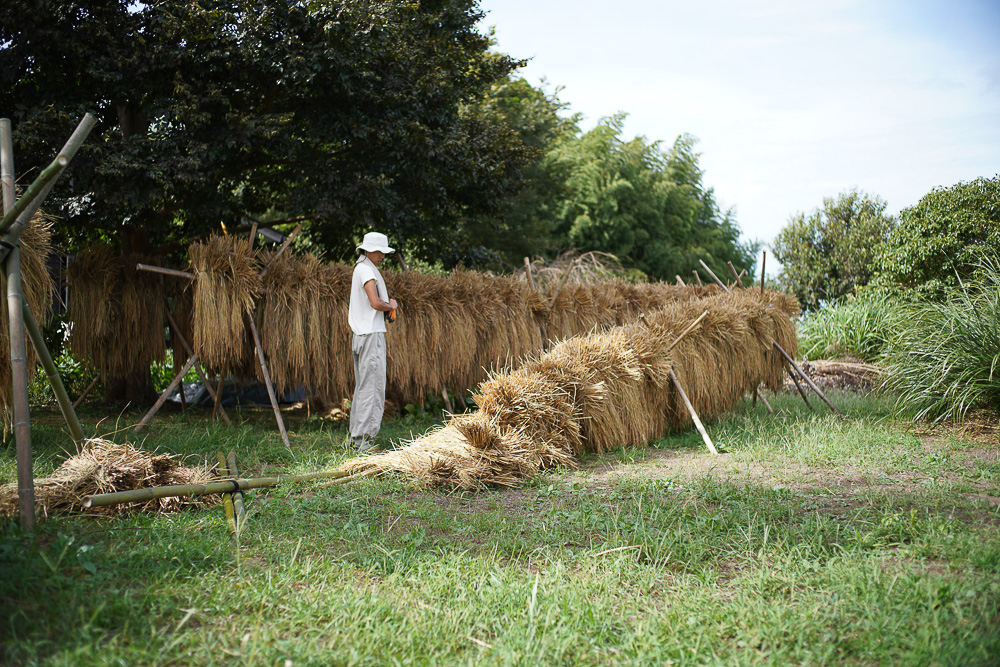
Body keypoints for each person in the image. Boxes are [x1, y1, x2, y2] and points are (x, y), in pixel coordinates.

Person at [348, 232, 398, 452]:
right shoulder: (367, 270)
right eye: (379, 252)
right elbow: (375, 303)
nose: (382, 257)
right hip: (370, 336)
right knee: (373, 389)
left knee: (363, 388)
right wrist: (392, 306)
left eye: (384, 253)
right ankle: (364, 443)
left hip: (361, 335)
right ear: (368, 249)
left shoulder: (361, 268)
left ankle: (355, 438)